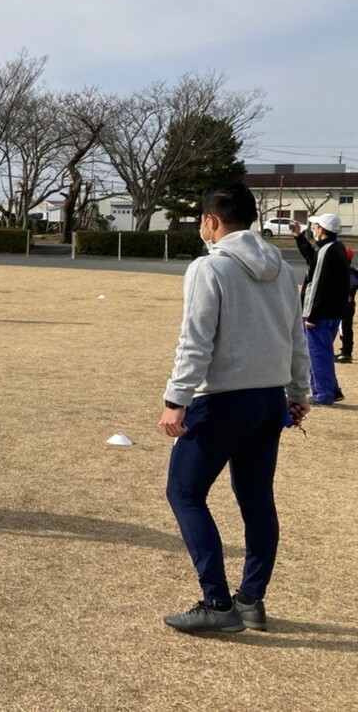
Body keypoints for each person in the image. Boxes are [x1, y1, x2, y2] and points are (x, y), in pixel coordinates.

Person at [160, 184, 310, 634]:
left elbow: (195, 340)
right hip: (267, 399)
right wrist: (298, 390)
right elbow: (295, 337)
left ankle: (217, 603)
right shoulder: (282, 269)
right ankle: (251, 599)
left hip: (223, 398)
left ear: (211, 222)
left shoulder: (209, 268)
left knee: (184, 492)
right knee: (257, 498)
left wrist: (176, 400)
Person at [290, 214, 349, 404]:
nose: (313, 229)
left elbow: (318, 285)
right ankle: (332, 389)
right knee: (321, 352)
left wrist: (312, 315)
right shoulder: (335, 248)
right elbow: (312, 260)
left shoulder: (327, 251)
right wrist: (299, 238)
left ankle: (323, 394)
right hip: (333, 312)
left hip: (320, 314)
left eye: (315, 226)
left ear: (321, 230)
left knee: (316, 354)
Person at [337, 246, 356, 364]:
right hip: (346, 305)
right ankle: (345, 350)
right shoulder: (351, 271)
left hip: (345, 305)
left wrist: (348, 293)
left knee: (344, 328)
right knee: (344, 327)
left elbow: (353, 283)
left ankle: (346, 352)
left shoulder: (347, 271)